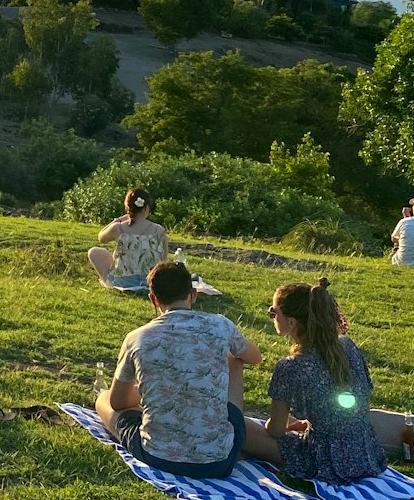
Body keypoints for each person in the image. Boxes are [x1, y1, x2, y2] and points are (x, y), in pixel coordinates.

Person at [95, 259, 258, 478]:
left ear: (153, 300)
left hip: (159, 457)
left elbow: (117, 402)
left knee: (103, 399)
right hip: (220, 461)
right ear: (193, 294)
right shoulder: (220, 325)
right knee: (236, 357)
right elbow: (254, 357)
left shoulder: (137, 338)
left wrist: (157, 389)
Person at [243, 279, 387, 481]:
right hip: (366, 454)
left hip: (321, 460)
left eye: (273, 312)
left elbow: (275, 430)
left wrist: (274, 425)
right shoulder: (348, 346)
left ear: (291, 322)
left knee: (238, 425)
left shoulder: (290, 366)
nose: (272, 317)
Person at [86, 188, 168, 292]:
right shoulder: (159, 230)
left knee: (94, 252)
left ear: (127, 207)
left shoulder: (118, 228)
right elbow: (164, 260)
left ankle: (108, 282)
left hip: (122, 281)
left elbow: (101, 237)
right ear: (146, 208)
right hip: (152, 282)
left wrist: (118, 220)